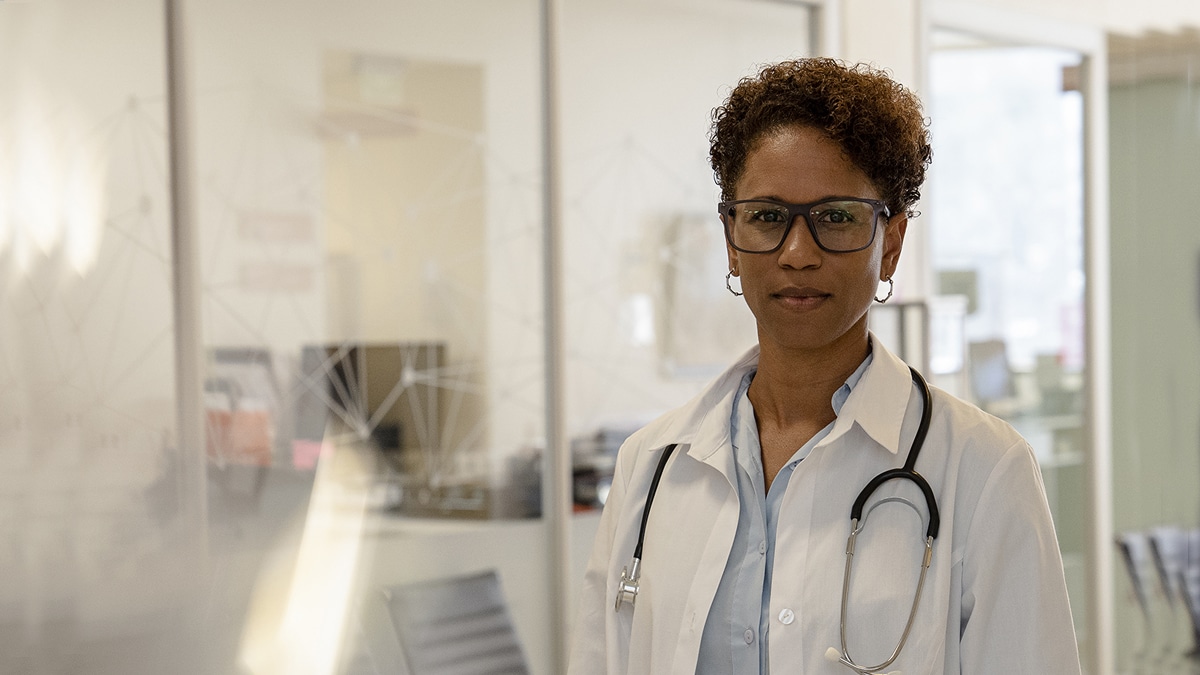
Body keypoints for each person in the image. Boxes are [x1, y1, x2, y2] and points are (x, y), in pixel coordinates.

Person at [567, 58, 1081, 674]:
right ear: (731, 240)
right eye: (766, 216)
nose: (797, 253)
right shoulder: (652, 466)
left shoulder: (983, 468)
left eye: (836, 217)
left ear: (890, 243)